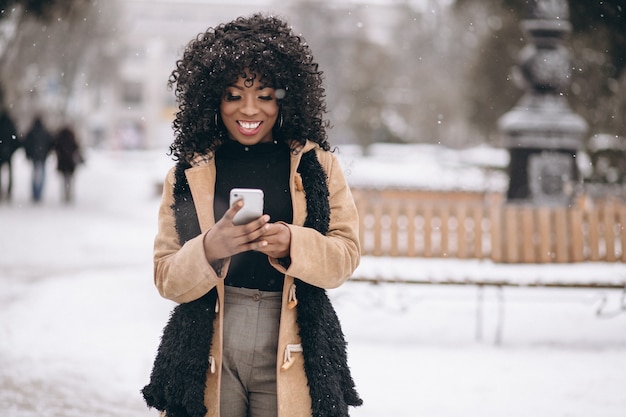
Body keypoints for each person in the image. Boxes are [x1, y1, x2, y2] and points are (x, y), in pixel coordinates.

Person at [142, 13, 363, 417]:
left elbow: (344, 257)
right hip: (208, 345)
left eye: (264, 95)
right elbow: (166, 278)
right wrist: (209, 248)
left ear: (285, 97)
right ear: (212, 98)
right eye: (233, 95)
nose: (249, 109)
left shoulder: (317, 165)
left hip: (293, 338)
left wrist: (293, 242)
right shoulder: (189, 173)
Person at [23, 115, 53, 202]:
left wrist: (29, 154)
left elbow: (27, 143)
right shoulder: (44, 132)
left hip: (35, 156)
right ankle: (38, 193)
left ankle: (35, 192)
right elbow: (50, 143)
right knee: (42, 175)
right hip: (42, 156)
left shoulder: (32, 132)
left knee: (35, 174)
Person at [53, 125, 83, 203]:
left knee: (64, 180)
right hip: (70, 164)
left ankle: (65, 194)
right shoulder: (72, 139)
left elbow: (55, 148)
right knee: (69, 180)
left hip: (63, 163)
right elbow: (77, 150)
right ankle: (68, 194)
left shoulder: (59, 139)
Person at [0, 102, 20, 202]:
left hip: (1, 152)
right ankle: (9, 190)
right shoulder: (10, 124)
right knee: (10, 173)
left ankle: (2, 190)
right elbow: (15, 139)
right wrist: (12, 149)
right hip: (8, 152)